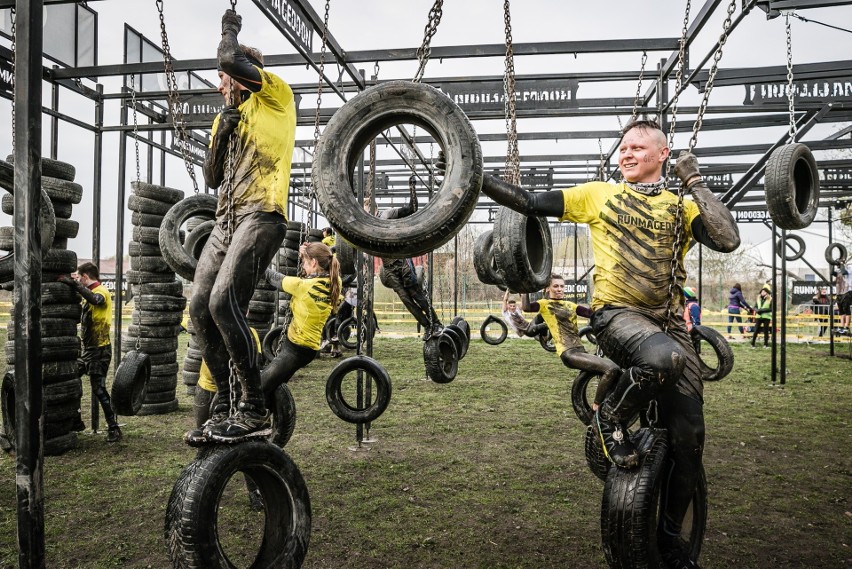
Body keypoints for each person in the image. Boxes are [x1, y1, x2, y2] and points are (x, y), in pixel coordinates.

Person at [440, 119, 740, 568]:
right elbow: (527, 201)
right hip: (616, 314)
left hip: (668, 321)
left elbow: (727, 238)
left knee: (690, 440)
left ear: (663, 154)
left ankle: (671, 538)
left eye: (637, 147)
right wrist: (470, 175)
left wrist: (693, 179)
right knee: (663, 359)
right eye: (623, 148)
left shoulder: (682, 206)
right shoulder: (599, 194)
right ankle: (608, 422)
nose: (626, 154)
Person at [190, 9, 296, 443]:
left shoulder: (275, 96)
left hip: (263, 214)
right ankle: (225, 403)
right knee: (199, 306)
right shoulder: (225, 116)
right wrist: (221, 134)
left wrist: (229, 29)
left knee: (222, 302)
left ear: (243, 73)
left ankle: (252, 406)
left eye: (223, 76)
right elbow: (211, 178)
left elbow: (231, 59)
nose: (219, 84)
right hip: (225, 220)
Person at [522, 274, 621, 411]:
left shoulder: (570, 305)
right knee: (611, 369)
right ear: (547, 289)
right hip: (568, 352)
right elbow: (526, 307)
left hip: (580, 350)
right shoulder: (544, 304)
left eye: (562, 286)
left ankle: (611, 405)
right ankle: (596, 407)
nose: (559, 289)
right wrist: (524, 288)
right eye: (555, 286)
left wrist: (607, 300)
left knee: (618, 371)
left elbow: (591, 313)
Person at [58, 263, 122, 443]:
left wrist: (74, 285)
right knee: (71, 378)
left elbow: (96, 300)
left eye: (79, 277)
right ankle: (76, 420)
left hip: (100, 350)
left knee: (99, 390)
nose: (78, 279)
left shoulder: (101, 291)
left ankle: (114, 428)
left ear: (85, 276)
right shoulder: (87, 295)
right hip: (88, 351)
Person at [374, 175, 442, 340]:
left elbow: (412, 209)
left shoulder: (386, 215)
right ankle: (427, 326)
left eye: (368, 204)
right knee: (405, 299)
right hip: (388, 267)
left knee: (415, 293)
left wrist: (412, 187)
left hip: (401, 260)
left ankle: (437, 323)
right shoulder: (363, 227)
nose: (365, 207)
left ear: (373, 207)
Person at [833, 258, 852, 335]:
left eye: (840, 264)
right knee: (841, 310)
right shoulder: (839, 270)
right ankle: (842, 327)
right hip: (840, 292)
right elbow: (832, 273)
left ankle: (846, 327)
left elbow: (844, 272)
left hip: (848, 290)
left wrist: (841, 264)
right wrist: (833, 264)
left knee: (846, 309)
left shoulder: (849, 268)